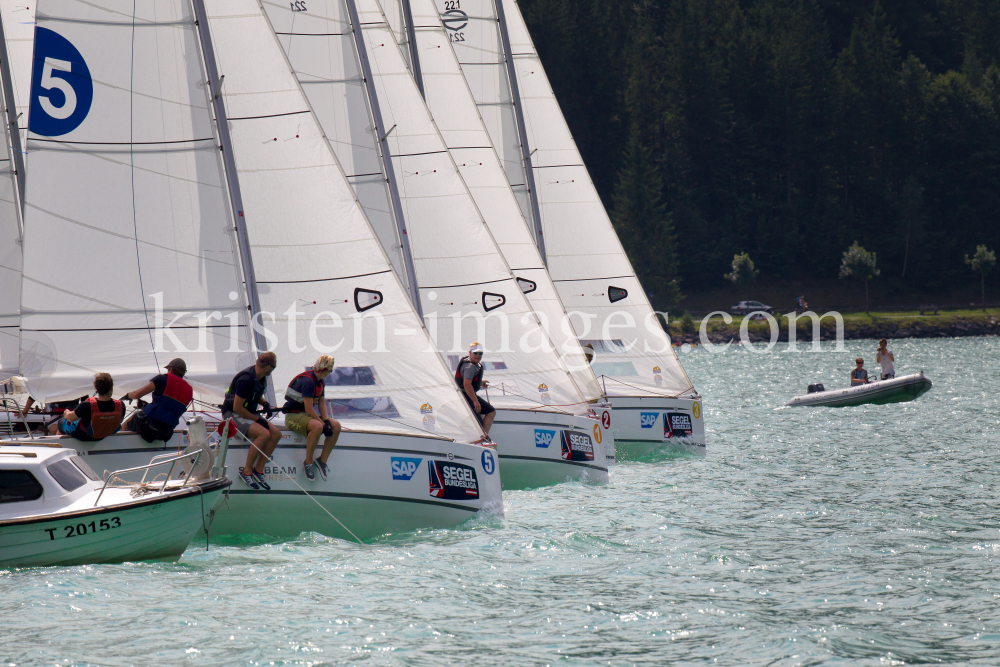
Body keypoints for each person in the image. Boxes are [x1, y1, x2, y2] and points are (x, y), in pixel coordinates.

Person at [221, 352, 281, 491]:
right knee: (263, 434)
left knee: (276, 434)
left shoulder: (259, 377)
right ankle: (246, 472)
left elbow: (254, 393)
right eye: (274, 368)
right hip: (233, 413)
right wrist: (257, 421)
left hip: (247, 412)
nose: (272, 371)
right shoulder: (246, 379)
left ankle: (258, 470)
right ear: (268, 367)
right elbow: (237, 407)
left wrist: (265, 403)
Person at [283, 354, 341, 482]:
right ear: (326, 370)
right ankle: (308, 462)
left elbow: (321, 403)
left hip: (305, 415)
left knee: (336, 425)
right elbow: (309, 409)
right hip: (293, 416)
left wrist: (326, 420)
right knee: (318, 427)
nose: (330, 373)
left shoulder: (320, 381)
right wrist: (323, 425)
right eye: (330, 371)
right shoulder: (308, 382)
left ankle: (322, 461)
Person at [122, 358, 193, 443]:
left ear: (171, 369)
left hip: (149, 429)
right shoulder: (189, 390)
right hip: (167, 433)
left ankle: (122, 442)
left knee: (133, 417)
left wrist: (128, 395)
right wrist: (147, 407)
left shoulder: (162, 379)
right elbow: (168, 408)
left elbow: (137, 394)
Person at [49, 373, 125, 441]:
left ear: (96, 388)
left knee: (61, 423)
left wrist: (66, 412)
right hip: (105, 435)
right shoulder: (121, 405)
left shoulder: (86, 405)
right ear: (111, 387)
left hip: (85, 436)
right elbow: (119, 421)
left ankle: (58, 448)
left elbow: (71, 418)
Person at [455, 342, 495, 437]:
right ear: (470, 352)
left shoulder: (469, 362)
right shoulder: (470, 366)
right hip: (465, 395)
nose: (478, 356)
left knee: (491, 411)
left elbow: (468, 380)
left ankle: (484, 436)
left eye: (480, 353)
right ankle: (480, 438)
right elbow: (467, 384)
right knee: (478, 423)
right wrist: (475, 401)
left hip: (466, 394)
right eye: (475, 353)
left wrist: (480, 383)